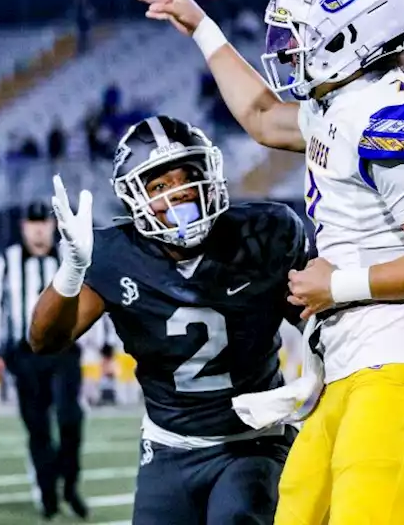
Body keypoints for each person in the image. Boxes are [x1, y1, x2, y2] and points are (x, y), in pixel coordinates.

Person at [136, 0, 404, 525]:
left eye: (301, 35)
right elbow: (261, 117)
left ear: (351, 37)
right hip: (351, 366)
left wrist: (338, 285)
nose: (289, 48)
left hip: (397, 363)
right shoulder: (341, 107)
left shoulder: (387, 113)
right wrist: (201, 27)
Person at [27, 115, 312, 525]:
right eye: (159, 186)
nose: (178, 194)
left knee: (238, 516)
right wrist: (71, 271)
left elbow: (318, 322)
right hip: (169, 446)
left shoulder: (262, 234)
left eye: (188, 176)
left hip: (254, 441)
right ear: (134, 197)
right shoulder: (113, 255)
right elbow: (44, 341)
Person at [0, 201, 86, 520]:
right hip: (24, 354)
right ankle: (48, 493)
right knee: (38, 426)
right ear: (23, 227)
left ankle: (68, 483)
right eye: (33, 223)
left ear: (53, 226)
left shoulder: (67, 258)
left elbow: (89, 298)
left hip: (64, 350)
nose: (39, 229)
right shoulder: (5, 261)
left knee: (70, 418)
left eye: (44, 222)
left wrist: (106, 348)